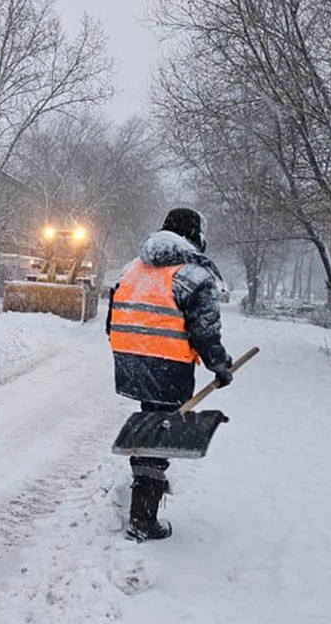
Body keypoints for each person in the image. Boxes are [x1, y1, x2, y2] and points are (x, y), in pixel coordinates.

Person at [106, 207, 233, 541]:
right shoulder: (194, 275)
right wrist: (219, 365)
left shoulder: (132, 267)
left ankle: (144, 489)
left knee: (153, 422)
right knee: (161, 430)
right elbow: (205, 332)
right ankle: (143, 517)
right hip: (168, 366)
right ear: (196, 236)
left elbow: (112, 318)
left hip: (129, 361)